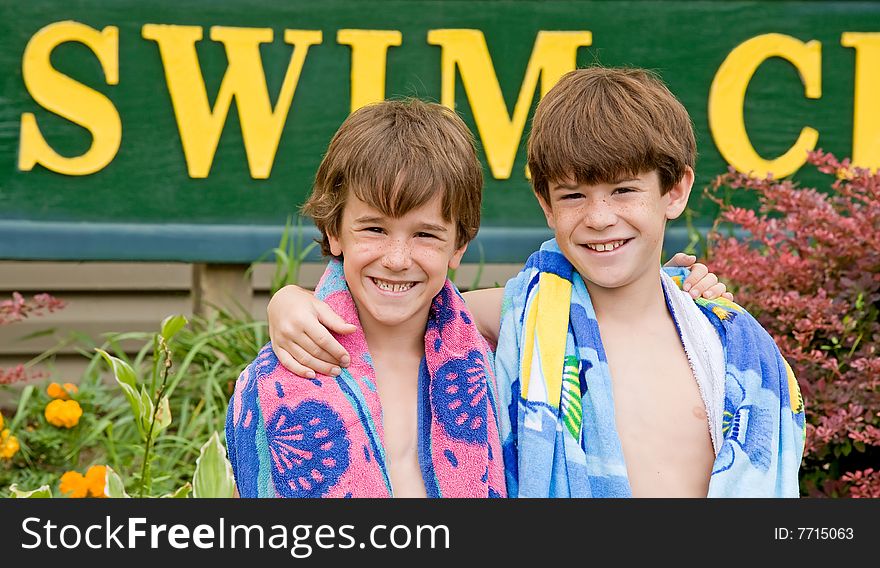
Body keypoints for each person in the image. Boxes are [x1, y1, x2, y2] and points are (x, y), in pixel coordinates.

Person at [265, 68, 797, 498]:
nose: (599, 218)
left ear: (675, 191)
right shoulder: (521, 311)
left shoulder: (719, 345)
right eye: (573, 196)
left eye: (624, 191)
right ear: (545, 203)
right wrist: (289, 301)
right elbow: (404, 306)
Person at [226, 99, 506, 497]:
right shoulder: (281, 377)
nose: (396, 259)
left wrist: (286, 297)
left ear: (458, 244)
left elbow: (566, 301)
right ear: (335, 232)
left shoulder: (492, 362)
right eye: (374, 229)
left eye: (425, 234)